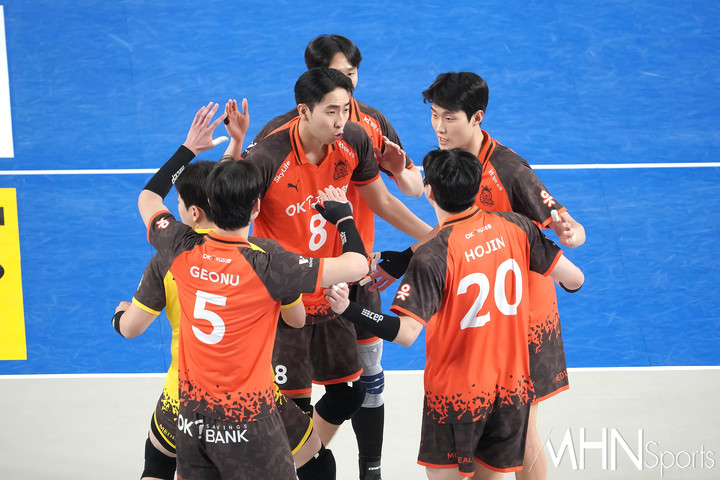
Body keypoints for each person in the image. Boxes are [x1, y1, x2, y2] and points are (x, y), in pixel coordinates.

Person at [128, 101, 369, 479]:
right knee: (317, 462)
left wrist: (189, 149)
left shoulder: (179, 248)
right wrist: (344, 218)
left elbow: (148, 198)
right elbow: (355, 266)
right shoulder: (270, 262)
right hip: (251, 416)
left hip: (191, 415)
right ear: (256, 209)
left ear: (204, 206)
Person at [227, 34, 425, 480]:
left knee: (355, 390)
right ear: (305, 110)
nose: (341, 119)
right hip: (288, 300)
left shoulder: (357, 135)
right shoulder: (270, 151)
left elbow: (386, 200)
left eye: (345, 106)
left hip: (341, 291)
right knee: (290, 413)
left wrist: (438, 238)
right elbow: (225, 207)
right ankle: (286, 465)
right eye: (332, 110)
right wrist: (234, 148)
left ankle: (319, 465)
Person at [371, 71, 587, 480]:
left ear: (477, 117)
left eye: (449, 118)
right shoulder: (453, 161)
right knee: (498, 444)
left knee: (524, 432)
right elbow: (453, 224)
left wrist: (571, 235)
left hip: (523, 318)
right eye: (434, 115)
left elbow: (568, 226)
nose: (439, 127)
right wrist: (402, 258)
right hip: (486, 316)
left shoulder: (510, 171)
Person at [325, 148, 585, 479]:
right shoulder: (518, 226)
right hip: (511, 388)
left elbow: (405, 333)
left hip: (456, 395)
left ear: (429, 192)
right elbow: (574, 280)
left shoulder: (432, 255)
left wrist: (349, 308)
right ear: (476, 188)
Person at [111, 160, 336, 479]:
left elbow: (130, 328)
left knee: (157, 464)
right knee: (315, 459)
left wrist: (118, 316)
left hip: (183, 402)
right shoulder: (266, 256)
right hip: (250, 404)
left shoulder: (170, 256)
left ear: (194, 211)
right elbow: (297, 319)